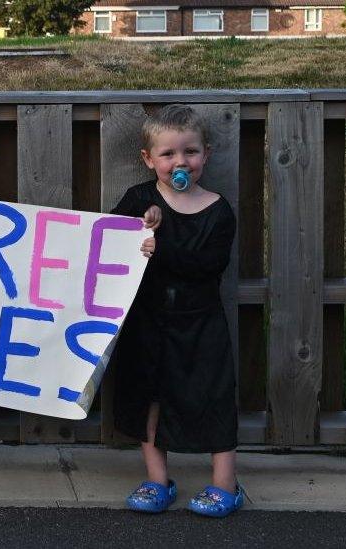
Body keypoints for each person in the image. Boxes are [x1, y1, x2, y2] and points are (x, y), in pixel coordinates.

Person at [109, 104, 242, 517]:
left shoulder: (218, 210)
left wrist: (161, 244)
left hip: (200, 320)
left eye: (190, 152)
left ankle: (225, 483)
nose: (179, 162)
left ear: (207, 154)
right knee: (149, 395)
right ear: (149, 160)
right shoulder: (141, 199)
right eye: (167, 154)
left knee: (213, 394)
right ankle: (157, 479)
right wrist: (139, 224)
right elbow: (110, 235)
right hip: (148, 319)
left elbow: (207, 267)